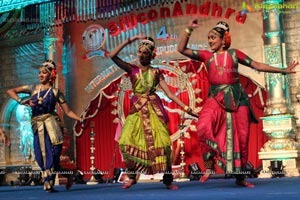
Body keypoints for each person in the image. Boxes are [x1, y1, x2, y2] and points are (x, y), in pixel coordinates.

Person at [177, 19, 299, 187]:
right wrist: (188, 29)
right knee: (204, 126)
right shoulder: (206, 56)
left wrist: (282, 71)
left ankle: (240, 178)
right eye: (209, 38)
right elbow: (181, 49)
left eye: (213, 37)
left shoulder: (234, 54)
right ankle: (209, 166)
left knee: (241, 138)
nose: (210, 41)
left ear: (223, 39)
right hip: (215, 96)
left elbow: (256, 65)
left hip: (237, 98)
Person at [109, 35, 198, 190]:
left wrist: (186, 108)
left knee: (163, 144)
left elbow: (170, 94)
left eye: (145, 53)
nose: (141, 55)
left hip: (153, 110)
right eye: (140, 52)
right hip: (137, 111)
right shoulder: (132, 69)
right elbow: (112, 56)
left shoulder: (156, 72)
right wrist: (129, 41)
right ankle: (131, 176)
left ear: (151, 55)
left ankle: (168, 180)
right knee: (126, 141)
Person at [7, 60, 83, 192]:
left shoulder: (55, 92)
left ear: (50, 75)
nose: (40, 75)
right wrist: (20, 101)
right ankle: (68, 174)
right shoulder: (32, 88)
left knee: (52, 155)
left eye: (43, 73)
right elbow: (10, 91)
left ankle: (48, 182)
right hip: (37, 125)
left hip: (52, 124)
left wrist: (80, 118)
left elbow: (68, 111)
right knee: (39, 156)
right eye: (39, 73)